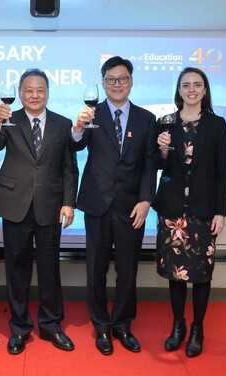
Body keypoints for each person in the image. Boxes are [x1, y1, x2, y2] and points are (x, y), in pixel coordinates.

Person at [0, 69, 79, 355]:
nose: (34, 95)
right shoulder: (9, 121)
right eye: (29, 90)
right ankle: (19, 328)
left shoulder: (63, 125)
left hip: (50, 205)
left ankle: (51, 326)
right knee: (17, 270)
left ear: (48, 92)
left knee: (50, 269)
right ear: (20, 93)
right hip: (15, 204)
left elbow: (69, 168)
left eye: (40, 90)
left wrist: (69, 202)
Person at [73, 56, 158, 355]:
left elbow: (150, 164)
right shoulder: (91, 114)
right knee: (95, 269)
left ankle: (122, 324)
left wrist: (147, 200)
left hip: (131, 206)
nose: (117, 84)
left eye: (122, 78)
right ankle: (101, 325)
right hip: (97, 203)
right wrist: (78, 127)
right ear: (103, 83)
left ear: (131, 81)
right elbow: (77, 145)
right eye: (110, 79)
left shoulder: (147, 119)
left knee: (127, 270)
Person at [153, 67, 226, 358]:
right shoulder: (166, 122)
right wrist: (162, 151)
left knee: (201, 274)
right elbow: (159, 166)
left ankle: (198, 328)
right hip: (173, 212)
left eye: (197, 85)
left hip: (203, 211)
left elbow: (221, 171)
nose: (192, 89)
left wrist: (221, 212)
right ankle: (178, 326)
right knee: (176, 273)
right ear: (179, 90)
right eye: (186, 85)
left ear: (205, 90)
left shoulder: (216, 124)